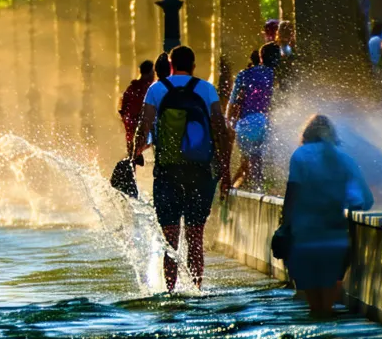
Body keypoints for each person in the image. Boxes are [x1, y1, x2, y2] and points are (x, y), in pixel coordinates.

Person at [138, 45, 227, 292]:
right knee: (195, 237)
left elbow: (143, 126)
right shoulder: (206, 89)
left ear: (170, 63)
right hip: (200, 173)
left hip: (167, 173)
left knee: (170, 240)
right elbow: (220, 128)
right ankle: (197, 289)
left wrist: (134, 156)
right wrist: (224, 166)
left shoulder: (156, 89)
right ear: (194, 65)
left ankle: (170, 291)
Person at [282, 115, 373, 317]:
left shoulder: (300, 156)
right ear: (333, 135)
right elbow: (365, 200)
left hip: (305, 236)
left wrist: (284, 225)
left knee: (314, 309)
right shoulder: (345, 159)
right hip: (335, 237)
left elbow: (292, 193)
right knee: (329, 304)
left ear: (306, 134)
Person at [226, 42, 279, 192]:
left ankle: (232, 190)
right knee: (256, 164)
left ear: (261, 57)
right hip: (264, 123)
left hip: (245, 125)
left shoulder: (244, 74)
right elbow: (277, 103)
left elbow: (233, 101)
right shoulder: (275, 75)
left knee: (248, 163)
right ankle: (258, 190)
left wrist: (228, 123)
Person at [119, 60, 155, 158]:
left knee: (132, 156)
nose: (154, 75)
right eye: (153, 72)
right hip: (143, 131)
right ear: (149, 73)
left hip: (132, 131)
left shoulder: (131, 88)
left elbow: (124, 111)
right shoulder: (149, 89)